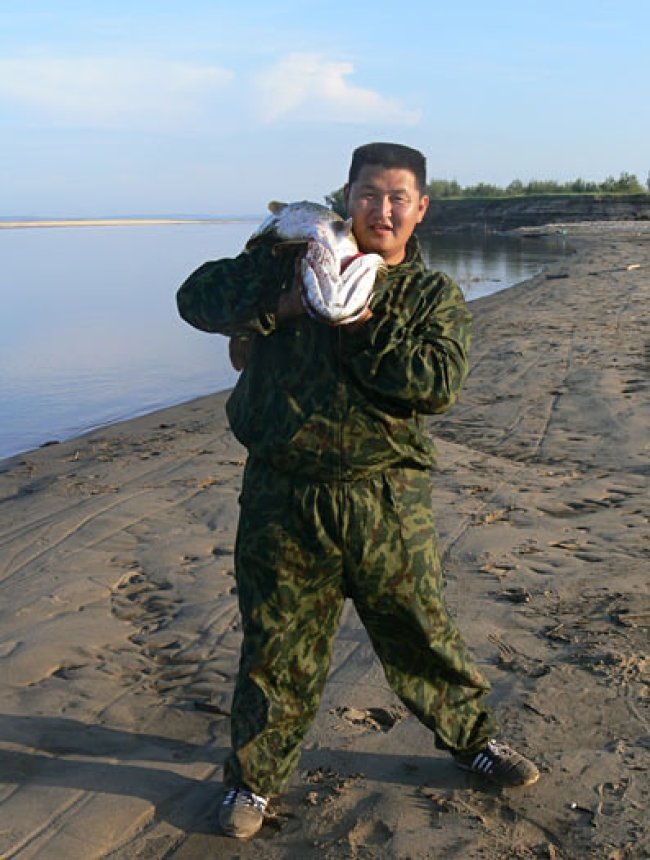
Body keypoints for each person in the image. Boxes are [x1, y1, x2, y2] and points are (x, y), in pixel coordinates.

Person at [176, 142, 539, 840]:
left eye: (399, 197)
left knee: (421, 634)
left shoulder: (431, 296)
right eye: (369, 194)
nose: (383, 209)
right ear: (346, 199)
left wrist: (357, 322)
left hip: (386, 500)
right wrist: (281, 304)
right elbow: (195, 299)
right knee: (275, 648)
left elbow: (435, 384)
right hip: (284, 498)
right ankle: (254, 784)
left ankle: (474, 743)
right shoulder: (288, 263)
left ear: (421, 209)